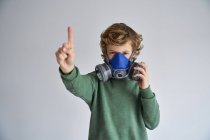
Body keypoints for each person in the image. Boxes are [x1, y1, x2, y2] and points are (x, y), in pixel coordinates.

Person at [55, 23, 160, 140]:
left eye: (125, 53)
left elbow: (152, 123)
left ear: (133, 54)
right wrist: (68, 69)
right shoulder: (96, 81)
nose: (119, 59)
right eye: (113, 53)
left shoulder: (139, 83)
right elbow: (77, 84)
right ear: (106, 54)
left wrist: (145, 89)